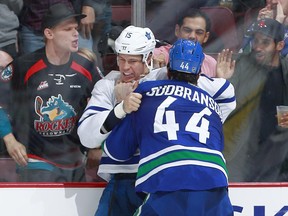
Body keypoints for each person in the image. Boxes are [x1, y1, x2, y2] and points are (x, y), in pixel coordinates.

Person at [103, 39, 236, 215]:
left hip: (169, 181)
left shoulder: (145, 92)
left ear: (167, 69)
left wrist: (121, 106)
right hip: (215, 181)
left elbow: (116, 151)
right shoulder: (212, 104)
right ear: (198, 74)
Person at [0, 3, 100, 182]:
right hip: (37, 162)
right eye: (67, 29)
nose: (75, 33)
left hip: (76, 163)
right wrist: (9, 139)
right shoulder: (24, 66)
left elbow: (104, 105)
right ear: (49, 34)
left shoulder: (87, 67)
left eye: (76, 28)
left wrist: (98, 144)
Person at [78, 25, 157, 216]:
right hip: (122, 178)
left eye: (132, 61)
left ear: (148, 58)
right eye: (121, 59)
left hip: (158, 176)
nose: (124, 67)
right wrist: (121, 108)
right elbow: (86, 137)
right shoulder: (107, 85)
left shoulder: (163, 80)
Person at [224, 18, 288, 182]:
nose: (258, 47)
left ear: (280, 46)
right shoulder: (239, 66)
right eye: (255, 41)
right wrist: (222, 82)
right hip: (243, 155)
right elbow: (223, 104)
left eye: (265, 42)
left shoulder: (285, 70)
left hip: (279, 156)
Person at [153, 8, 235, 78]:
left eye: (199, 32)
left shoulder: (211, 64)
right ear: (177, 31)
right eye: (187, 30)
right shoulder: (158, 56)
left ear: (206, 37)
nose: (192, 36)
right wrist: (157, 71)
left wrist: (221, 81)